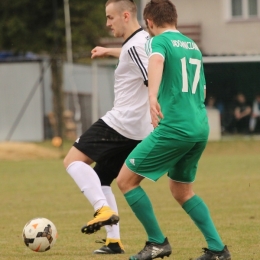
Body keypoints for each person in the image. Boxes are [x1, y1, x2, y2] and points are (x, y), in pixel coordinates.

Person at [116, 1, 231, 260]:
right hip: (199, 127)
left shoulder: (159, 42)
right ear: (174, 19)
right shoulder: (193, 46)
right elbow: (201, 90)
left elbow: (155, 62)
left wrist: (152, 95)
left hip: (175, 128)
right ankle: (217, 249)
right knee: (182, 191)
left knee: (125, 180)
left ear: (150, 22)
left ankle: (156, 242)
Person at [63, 0, 152, 255]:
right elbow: (133, 54)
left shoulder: (135, 47)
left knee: (72, 161)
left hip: (122, 123)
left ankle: (101, 209)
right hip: (138, 130)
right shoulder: (143, 40)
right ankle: (114, 242)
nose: (107, 23)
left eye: (110, 18)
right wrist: (108, 50)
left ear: (125, 15)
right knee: (102, 179)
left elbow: (151, 76)